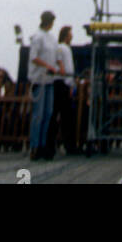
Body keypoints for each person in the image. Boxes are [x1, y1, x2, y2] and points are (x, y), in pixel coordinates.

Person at [28, 10, 59, 159]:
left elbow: (55, 55)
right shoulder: (37, 37)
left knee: (48, 114)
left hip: (49, 80)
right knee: (38, 115)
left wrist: (56, 67)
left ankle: (43, 145)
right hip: (39, 79)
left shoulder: (52, 38)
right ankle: (34, 146)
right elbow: (34, 57)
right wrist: (47, 66)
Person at [44, 25, 76, 157]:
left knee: (64, 116)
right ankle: (53, 147)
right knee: (60, 116)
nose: (72, 36)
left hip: (64, 83)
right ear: (65, 35)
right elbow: (61, 63)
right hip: (60, 83)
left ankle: (66, 146)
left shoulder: (66, 49)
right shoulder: (61, 48)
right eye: (70, 33)